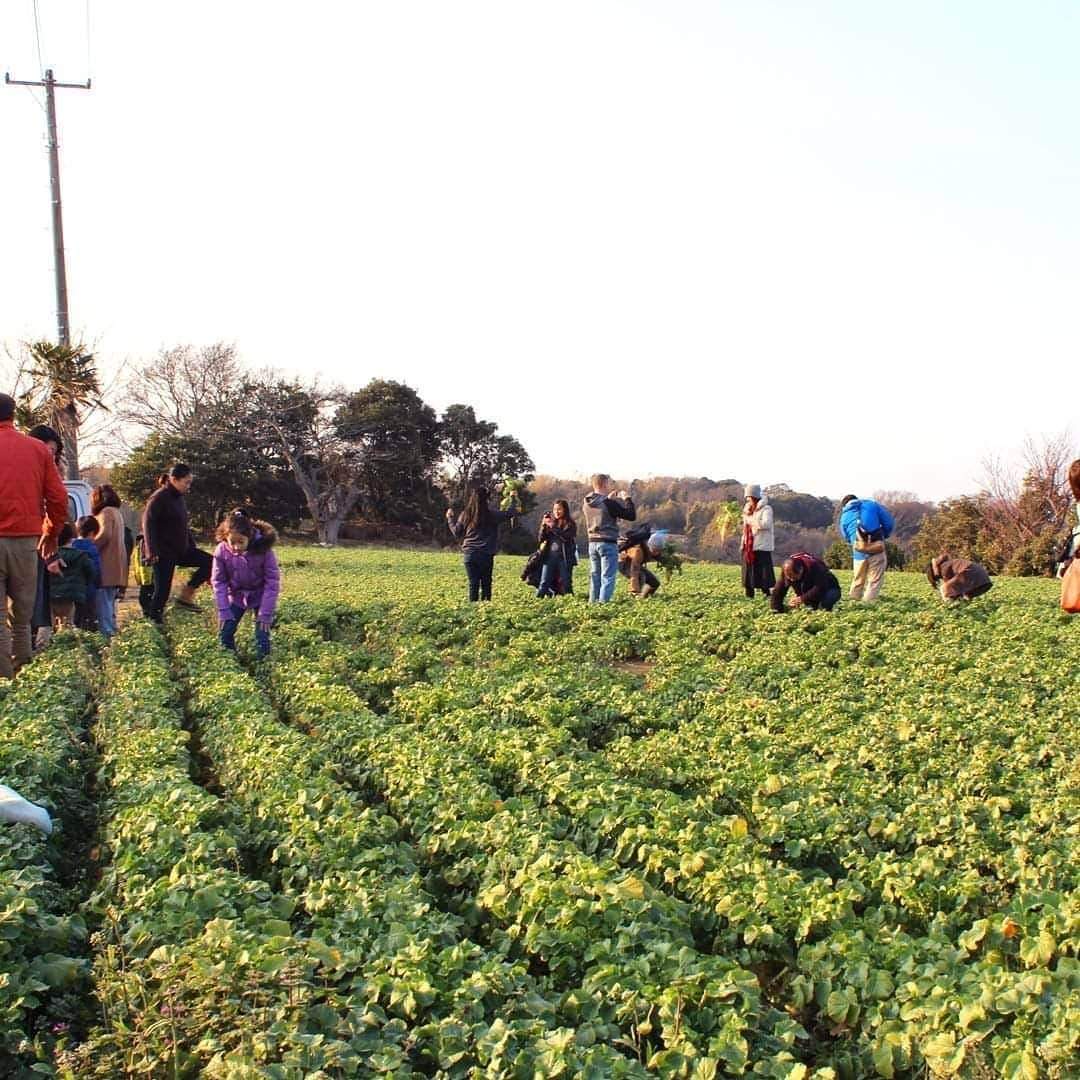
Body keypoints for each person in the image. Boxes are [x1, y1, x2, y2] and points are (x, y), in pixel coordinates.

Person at [0, 395, 68, 678]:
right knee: (21, 619)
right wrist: (50, 534)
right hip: (26, 540)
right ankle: (23, 678)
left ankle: (3, 683)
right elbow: (58, 498)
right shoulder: (37, 450)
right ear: (13, 415)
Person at [141, 464, 213, 623]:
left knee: (212, 562)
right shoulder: (159, 497)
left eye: (189, 483)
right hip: (163, 552)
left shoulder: (178, 499)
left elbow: (182, 526)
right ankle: (154, 623)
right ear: (173, 479)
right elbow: (148, 523)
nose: (188, 486)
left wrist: (191, 545)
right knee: (162, 592)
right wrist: (151, 551)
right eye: (186, 482)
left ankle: (185, 596)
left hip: (181, 549)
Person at [211, 508, 281, 659]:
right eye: (232, 542)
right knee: (226, 630)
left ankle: (264, 665)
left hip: (261, 595)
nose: (236, 547)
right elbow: (219, 581)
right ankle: (230, 661)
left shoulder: (264, 550)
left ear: (249, 537)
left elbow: (272, 582)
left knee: (262, 633)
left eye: (241, 542)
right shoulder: (221, 551)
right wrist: (223, 609)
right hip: (236, 595)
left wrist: (266, 613)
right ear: (225, 537)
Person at [27, 425, 65, 651]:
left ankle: (31, 649)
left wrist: (52, 546)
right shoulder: (28, 468)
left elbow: (57, 508)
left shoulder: (52, 472)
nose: (50, 455)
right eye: (48, 450)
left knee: (35, 597)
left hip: (41, 539)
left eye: (53, 452)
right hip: (29, 537)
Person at [446, 485, 518, 601]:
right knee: (486, 585)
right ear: (486, 499)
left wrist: (450, 518)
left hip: (470, 554)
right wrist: (513, 498)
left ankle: (473, 612)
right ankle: (486, 611)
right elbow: (510, 513)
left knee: (473, 584)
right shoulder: (492, 515)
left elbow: (456, 532)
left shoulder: (466, 514)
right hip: (486, 554)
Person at [583, 475, 636, 603]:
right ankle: (603, 604)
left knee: (595, 575)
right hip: (607, 542)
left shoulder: (587, 502)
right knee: (607, 576)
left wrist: (608, 499)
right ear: (605, 484)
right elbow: (631, 515)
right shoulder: (609, 503)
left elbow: (601, 509)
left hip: (592, 542)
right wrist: (627, 498)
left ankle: (592, 603)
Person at [839, 494, 895, 602]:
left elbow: (846, 536)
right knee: (874, 581)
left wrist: (856, 543)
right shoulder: (872, 505)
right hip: (876, 549)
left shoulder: (844, 516)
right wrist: (884, 535)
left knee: (858, 581)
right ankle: (868, 604)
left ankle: (853, 604)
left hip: (858, 553)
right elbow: (889, 523)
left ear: (845, 505)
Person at [92, 484, 127, 638]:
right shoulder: (117, 512)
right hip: (117, 565)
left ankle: (107, 638)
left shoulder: (105, 512)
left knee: (103, 606)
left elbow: (105, 535)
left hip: (106, 565)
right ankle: (113, 636)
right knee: (110, 605)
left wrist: (90, 547)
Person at [48, 523, 97, 630]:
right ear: (71, 538)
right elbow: (92, 573)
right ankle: (66, 644)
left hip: (50, 596)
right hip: (70, 597)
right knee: (67, 624)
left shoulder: (48, 556)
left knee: (48, 626)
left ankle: (46, 645)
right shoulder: (81, 555)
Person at [770, 553, 842, 613]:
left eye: (794, 577)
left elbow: (821, 587)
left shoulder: (814, 566)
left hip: (830, 589)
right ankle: (814, 606)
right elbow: (778, 591)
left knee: (823, 607)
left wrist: (802, 598)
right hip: (810, 591)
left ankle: (826, 608)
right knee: (809, 609)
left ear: (801, 570)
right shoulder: (787, 570)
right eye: (789, 578)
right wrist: (776, 610)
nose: (791, 580)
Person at [536, 499, 578, 597]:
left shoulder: (570, 524)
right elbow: (541, 539)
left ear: (565, 510)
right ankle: (538, 600)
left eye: (559, 509)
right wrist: (543, 526)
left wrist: (553, 526)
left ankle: (570, 601)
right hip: (549, 557)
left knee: (566, 583)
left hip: (564, 558)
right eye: (555, 509)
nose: (556, 512)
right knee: (544, 582)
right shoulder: (551, 523)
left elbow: (565, 537)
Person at [741, 484, 775, 599]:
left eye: (749, 497)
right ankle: (749, 597)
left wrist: (751, 521)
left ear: (754, 496)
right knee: (748, 575)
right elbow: (745, 529)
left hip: (761, 546)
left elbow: (766, 524)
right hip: (748, 546)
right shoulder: (747, 509)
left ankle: (768, 597)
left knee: (763, 576)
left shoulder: (766, 509)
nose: (747, 499)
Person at [71, 516, 102, 631]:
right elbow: (96, 570)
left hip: (72, 591)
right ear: (92, 533)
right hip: (89, 591)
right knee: (90, 620)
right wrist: (98, 584)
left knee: (75, 619)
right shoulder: (91, 548)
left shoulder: (72, 546)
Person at [619, 529, 665, 598]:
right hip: (623, 563)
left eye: (659, 550)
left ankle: (644, 597)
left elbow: (661, 557)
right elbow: (634, 570)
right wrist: (634, 590)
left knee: (655, 583)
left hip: (635, 564)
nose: (657, 553)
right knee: (641, 576)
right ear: (649, 545)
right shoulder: (638, 551)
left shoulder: (652, 549)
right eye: (654, 550)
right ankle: (633, 597)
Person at [927, 555, 992, 602]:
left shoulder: (944, 568)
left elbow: (950, 590)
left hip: (970, 572)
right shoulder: (949, 563)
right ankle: (963, 607)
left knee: (944, 589)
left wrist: (948, 599)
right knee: (965, 596)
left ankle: (948, 609)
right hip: (984, 579)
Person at [132, 533, 156, 616]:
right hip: (146, 574)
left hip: (150, 574)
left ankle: (151, 615)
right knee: (145, 596)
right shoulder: (142, 541)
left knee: (147, 596)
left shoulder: (146, 540)